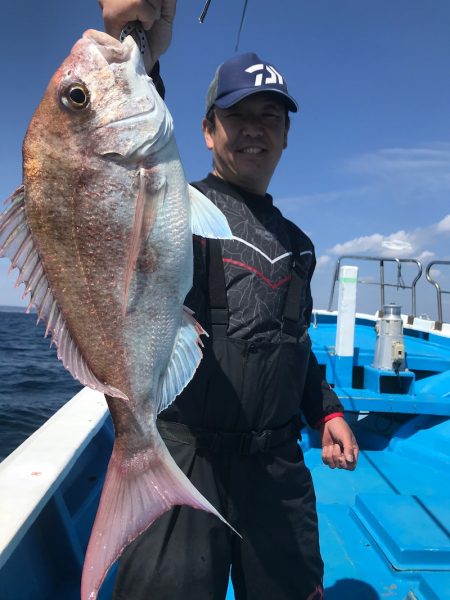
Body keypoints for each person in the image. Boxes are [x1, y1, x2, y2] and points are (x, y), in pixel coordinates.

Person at [99, 3, 359, 599]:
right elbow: (129, 158)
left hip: (276, 467)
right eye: (236, 116)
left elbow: (291, 344)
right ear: (207, 130)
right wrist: (137, 47)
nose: (254, 129)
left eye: (270, 117)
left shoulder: (299, 245)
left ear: (287, 136)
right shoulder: (173, 210)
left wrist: (326, 412)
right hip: (186, 453)